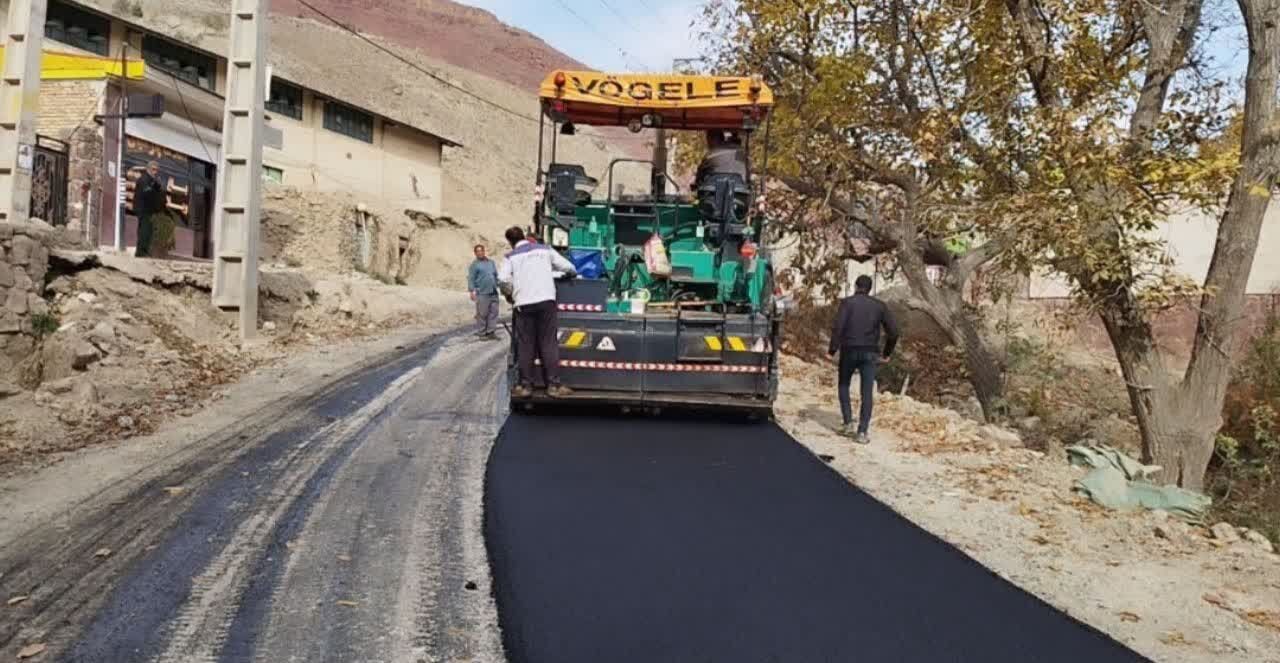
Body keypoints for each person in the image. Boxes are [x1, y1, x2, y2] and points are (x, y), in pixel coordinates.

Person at [497, 226, 577, 398]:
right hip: (546, 302)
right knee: (548, 343)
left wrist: (509, 294)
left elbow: (503, 280)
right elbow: (570, 268)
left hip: (524, 305)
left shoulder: (510, 257)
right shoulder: (545, 250)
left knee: (526, 345)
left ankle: (526, 386)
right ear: (525, 237)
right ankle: (554, 386)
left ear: (511, 242)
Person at [828, 274, 899, 443]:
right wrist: (887, 353)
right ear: (870, 288)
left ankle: (847, 423)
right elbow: (894, 332)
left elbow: (838, 327)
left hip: (849, 350)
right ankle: (862, 432)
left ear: (855, 286)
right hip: (870, 353)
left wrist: (832, 350)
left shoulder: (847, 303)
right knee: (867, 392)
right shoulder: (879, 306)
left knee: (843, 384)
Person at [467, 244, 500, 340]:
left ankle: (491, 332)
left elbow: (495, 275)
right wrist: (471, 291)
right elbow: (471, 278)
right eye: (477, 251)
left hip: (493, 291)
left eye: (481, 250)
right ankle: (482, 333)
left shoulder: (491, 262)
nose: (480, 253)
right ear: (475, 253)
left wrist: (499, 285)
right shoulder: (474, 265)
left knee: (494, 312)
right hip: (482, 292)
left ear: (484, 251)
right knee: (482, 313)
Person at [134, 161, 166, 258]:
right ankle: (141, 253)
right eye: (153, 169)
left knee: (149, 233)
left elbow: (157, 194)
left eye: (156, 170)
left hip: (152, 211)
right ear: (148, 169)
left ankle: (144, 252)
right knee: (144, 231)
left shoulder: (153, 181)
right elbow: (146, 192)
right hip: (144, 211)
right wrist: (154, 186)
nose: (155, 172)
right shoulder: (143, 179)